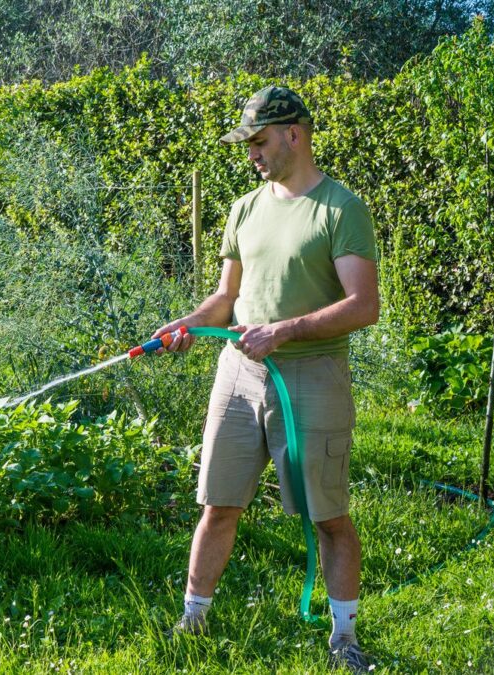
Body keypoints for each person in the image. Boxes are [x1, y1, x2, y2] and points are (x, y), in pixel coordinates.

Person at [151, 86, 380, 673]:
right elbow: (226, 298)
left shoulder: (340, 208)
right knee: (217, 504)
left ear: (293, 135)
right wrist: (187, 324)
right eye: (246, 143)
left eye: (258, 140)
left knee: (327, 515)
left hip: (311, 375)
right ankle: (192, 619)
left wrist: (284, 330)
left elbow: (363, 305)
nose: (251, 152)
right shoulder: (245, 207)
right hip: (238, 374)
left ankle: (345, 640)